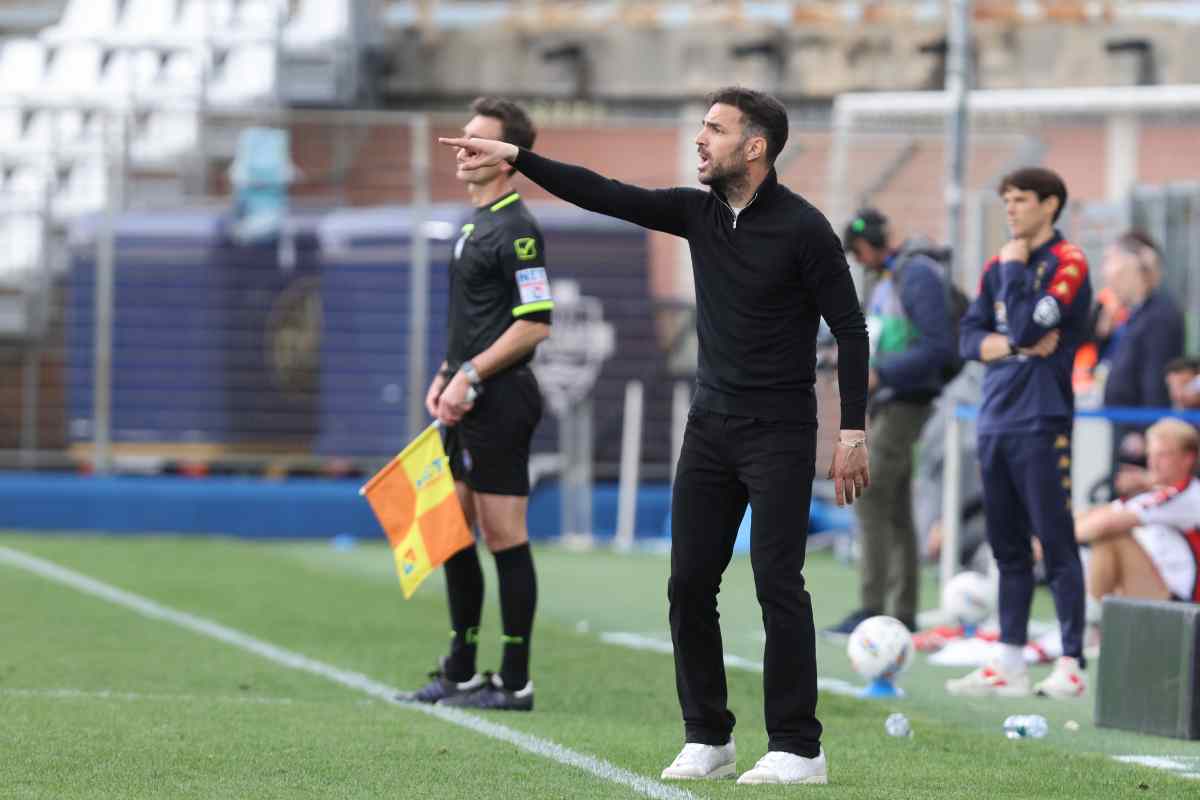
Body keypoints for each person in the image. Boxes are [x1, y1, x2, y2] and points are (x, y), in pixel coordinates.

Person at [442, 86, 870, 786]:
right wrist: (517, 154)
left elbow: (850, 330)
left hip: (780, 431)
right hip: (709, 428)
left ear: (754, 147)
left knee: (777, 584)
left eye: (715, 129)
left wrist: (851, 430)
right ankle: (708, 736)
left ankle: (798, 746)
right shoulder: (696, 214)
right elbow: (601, 192)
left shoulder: (804, 228)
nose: (700, 139)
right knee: (688, 584)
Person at [399, 97, 553, 712]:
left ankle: (514, 681)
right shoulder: (473, 225)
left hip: (501, 399)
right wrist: (446, 373)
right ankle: (461, 669)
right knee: (449, 533)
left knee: (502, 536)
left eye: (478, 141)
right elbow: (476, 321)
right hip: (465, 399)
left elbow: (534, 323)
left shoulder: (517, 229)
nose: (463, 149)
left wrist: (469, 374)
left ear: (508, 158)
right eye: (463, 138)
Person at [947, 167, 1093, 700]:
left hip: (1041, 419)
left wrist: (1013, 279)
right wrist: (1012, 345)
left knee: (1055, 542)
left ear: (1050, 204)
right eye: (1006, 199)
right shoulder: (997, 264)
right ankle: (1010, 661)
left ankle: (1071, 663)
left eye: (1021, 199)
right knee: (1007, 547)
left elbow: (1032, 323)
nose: (1010, 208)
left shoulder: (1068, 262)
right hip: (995, 419)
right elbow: (968, 340)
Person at [825, 208, 956, 636]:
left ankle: (872, 610)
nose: (859, 260)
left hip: (907, 402)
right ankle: (901, 613)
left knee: (867, 492)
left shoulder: (914, 276)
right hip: (891, 401)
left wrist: (881, 373)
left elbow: (939, 346)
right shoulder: (889, 279)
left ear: (868, 246)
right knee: (896, 507)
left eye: (858, 252)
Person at [1076, 418, 1200, 606]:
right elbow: (1098, 514)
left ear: (1187, 458)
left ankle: (1092, 616)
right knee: (1101, 530)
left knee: (1110, 534)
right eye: (1151, 455)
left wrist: (1051, 542)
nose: (1153, 463)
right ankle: (1094, 615)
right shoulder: (1158, 493)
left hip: (1184, 606)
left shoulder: (1189, 495)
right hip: (1159, 593)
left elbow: (1107, 523)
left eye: (1163, 455)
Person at [1101, 231, 1185, 469]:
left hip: (1139, 439)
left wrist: (1143, 432)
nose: (1106, 273)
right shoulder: (1133, 314)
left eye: (1111, 261)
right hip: (1125, 428)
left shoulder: (1159, 316)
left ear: (1133, 267)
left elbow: (1157, 381)